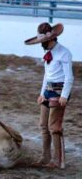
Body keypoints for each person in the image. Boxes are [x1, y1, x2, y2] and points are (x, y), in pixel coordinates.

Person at [25, 23, 73, 169]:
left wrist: (64, 95)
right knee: (43, 125)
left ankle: (58, 160)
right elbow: (47, 75)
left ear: (51, 39)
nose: (42, 45)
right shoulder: (50, 53)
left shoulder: (64, 53)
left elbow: (69, 77)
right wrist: (42, 93)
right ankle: (45, 157)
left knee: (54, 127)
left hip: (58, 92)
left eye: (43, 42)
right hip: (48, 91)